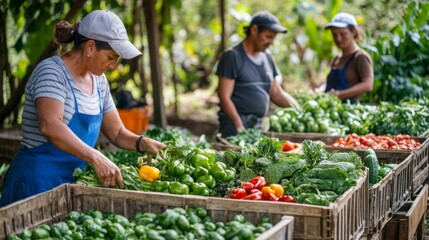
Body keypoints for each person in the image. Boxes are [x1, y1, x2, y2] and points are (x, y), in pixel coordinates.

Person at [0, 10, 165, 207]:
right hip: (36, 183)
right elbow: (50, 125)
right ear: (90, 47)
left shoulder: (99, 80)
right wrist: (96, 157)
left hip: (75, 183)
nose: (113, 65)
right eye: (111, 57)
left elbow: (117, 132)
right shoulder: (51, 72)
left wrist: (143, 143)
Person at [216, 11, 300, 137]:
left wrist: (299, 109)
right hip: (234, 126)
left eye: (273, 38)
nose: (271, 42)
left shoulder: (267, 58)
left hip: (258, 125)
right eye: (268, 36)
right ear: (254, 30)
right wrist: (239, 127)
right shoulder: (233, 56)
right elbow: (224, 97)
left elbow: (277, 93)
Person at [324, 12, 374, 103]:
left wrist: (340, 95)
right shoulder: (336, 59)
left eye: (343, 34)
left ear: (353, 32)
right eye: (334, 35)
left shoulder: (360, 57)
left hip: (350, 112)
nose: (338, 39)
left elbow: (368, 85)